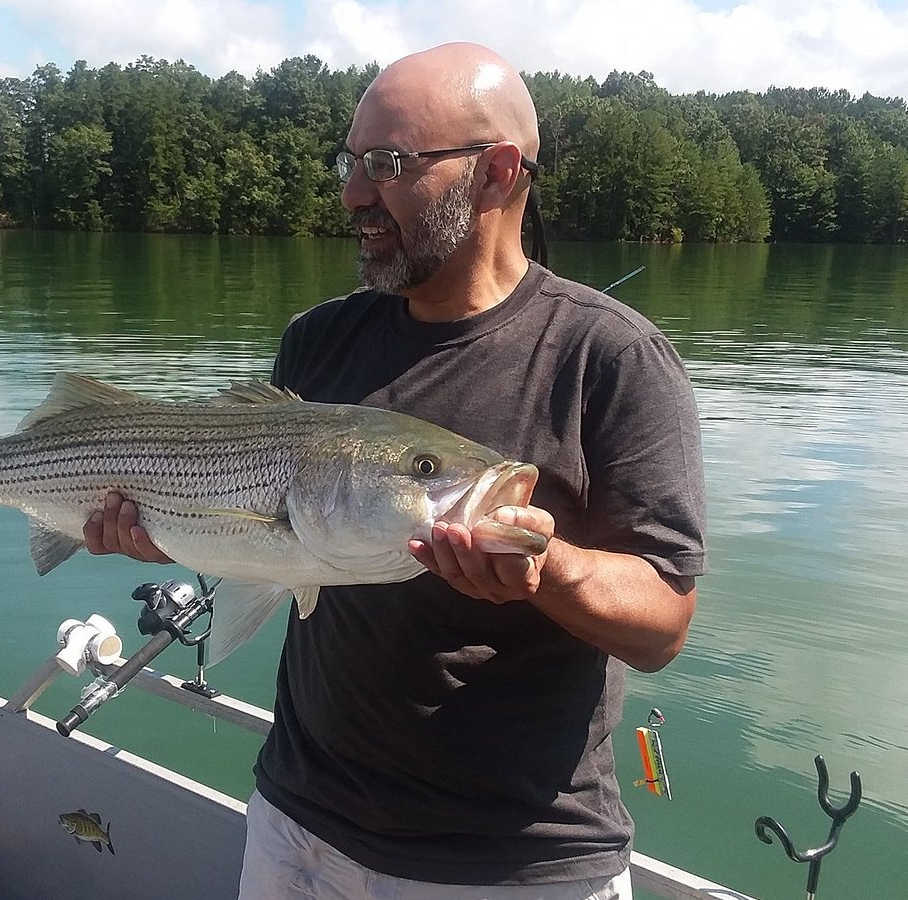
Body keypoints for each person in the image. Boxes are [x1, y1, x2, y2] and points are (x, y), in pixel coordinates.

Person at [85, 42, 705, 900]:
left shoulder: (612, 358)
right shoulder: (320, 338)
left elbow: (663, 621)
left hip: (511, 867)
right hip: (297, 828)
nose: (351, 194)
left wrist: (545, 571)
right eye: (350, 162)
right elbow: (272, 539)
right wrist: (171, 528)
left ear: (496, 172)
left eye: (386, 164)